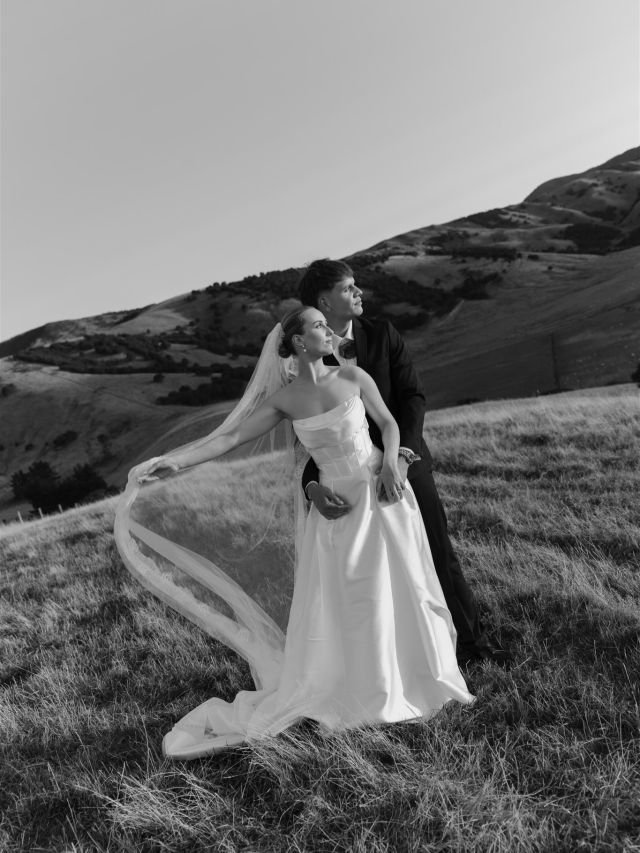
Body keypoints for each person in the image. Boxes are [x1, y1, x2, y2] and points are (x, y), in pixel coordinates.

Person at [118, 306, 474, 759]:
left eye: (327, 324)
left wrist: (389, 465)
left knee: (403, 583)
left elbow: (387, 423)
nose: (329, 331)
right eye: (319, 326)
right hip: (335, 505)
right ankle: (367, 688)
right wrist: (176, 461)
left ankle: (420, 676)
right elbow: (230, 438)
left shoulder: (353, 377)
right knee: (354, 594)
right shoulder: (285, 400)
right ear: (300, 342)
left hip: (380, 494)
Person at [297, 259, 504, 665]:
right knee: (367, 575)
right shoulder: (303, 363)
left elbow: (412, 397)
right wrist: (312, 487)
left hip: (405, 462)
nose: (359, 293)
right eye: (349, 287)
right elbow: (305, 439)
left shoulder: (383, 334)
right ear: (325, 300)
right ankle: (391, 660)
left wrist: (402, 457)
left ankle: (472, 646)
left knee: (437, 552)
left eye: (357, 285)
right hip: (347, 482)